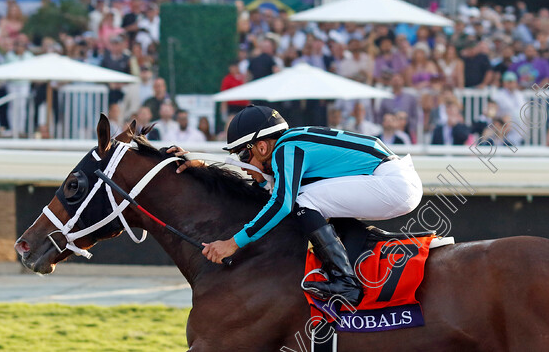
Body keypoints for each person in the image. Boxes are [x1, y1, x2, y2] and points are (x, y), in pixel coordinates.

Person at [169, 105, 423, 305]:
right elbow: (264, 188)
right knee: (306, 197)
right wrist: (201, 165)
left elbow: (281, 203)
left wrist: (232, 243)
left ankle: (344, 281)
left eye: (244, 156)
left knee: (302, 200)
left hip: (393, 184)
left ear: (262, 145)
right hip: (393, 181)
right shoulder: (291, 143)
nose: (245, 165)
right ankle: (355, 256)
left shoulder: (286, 148)